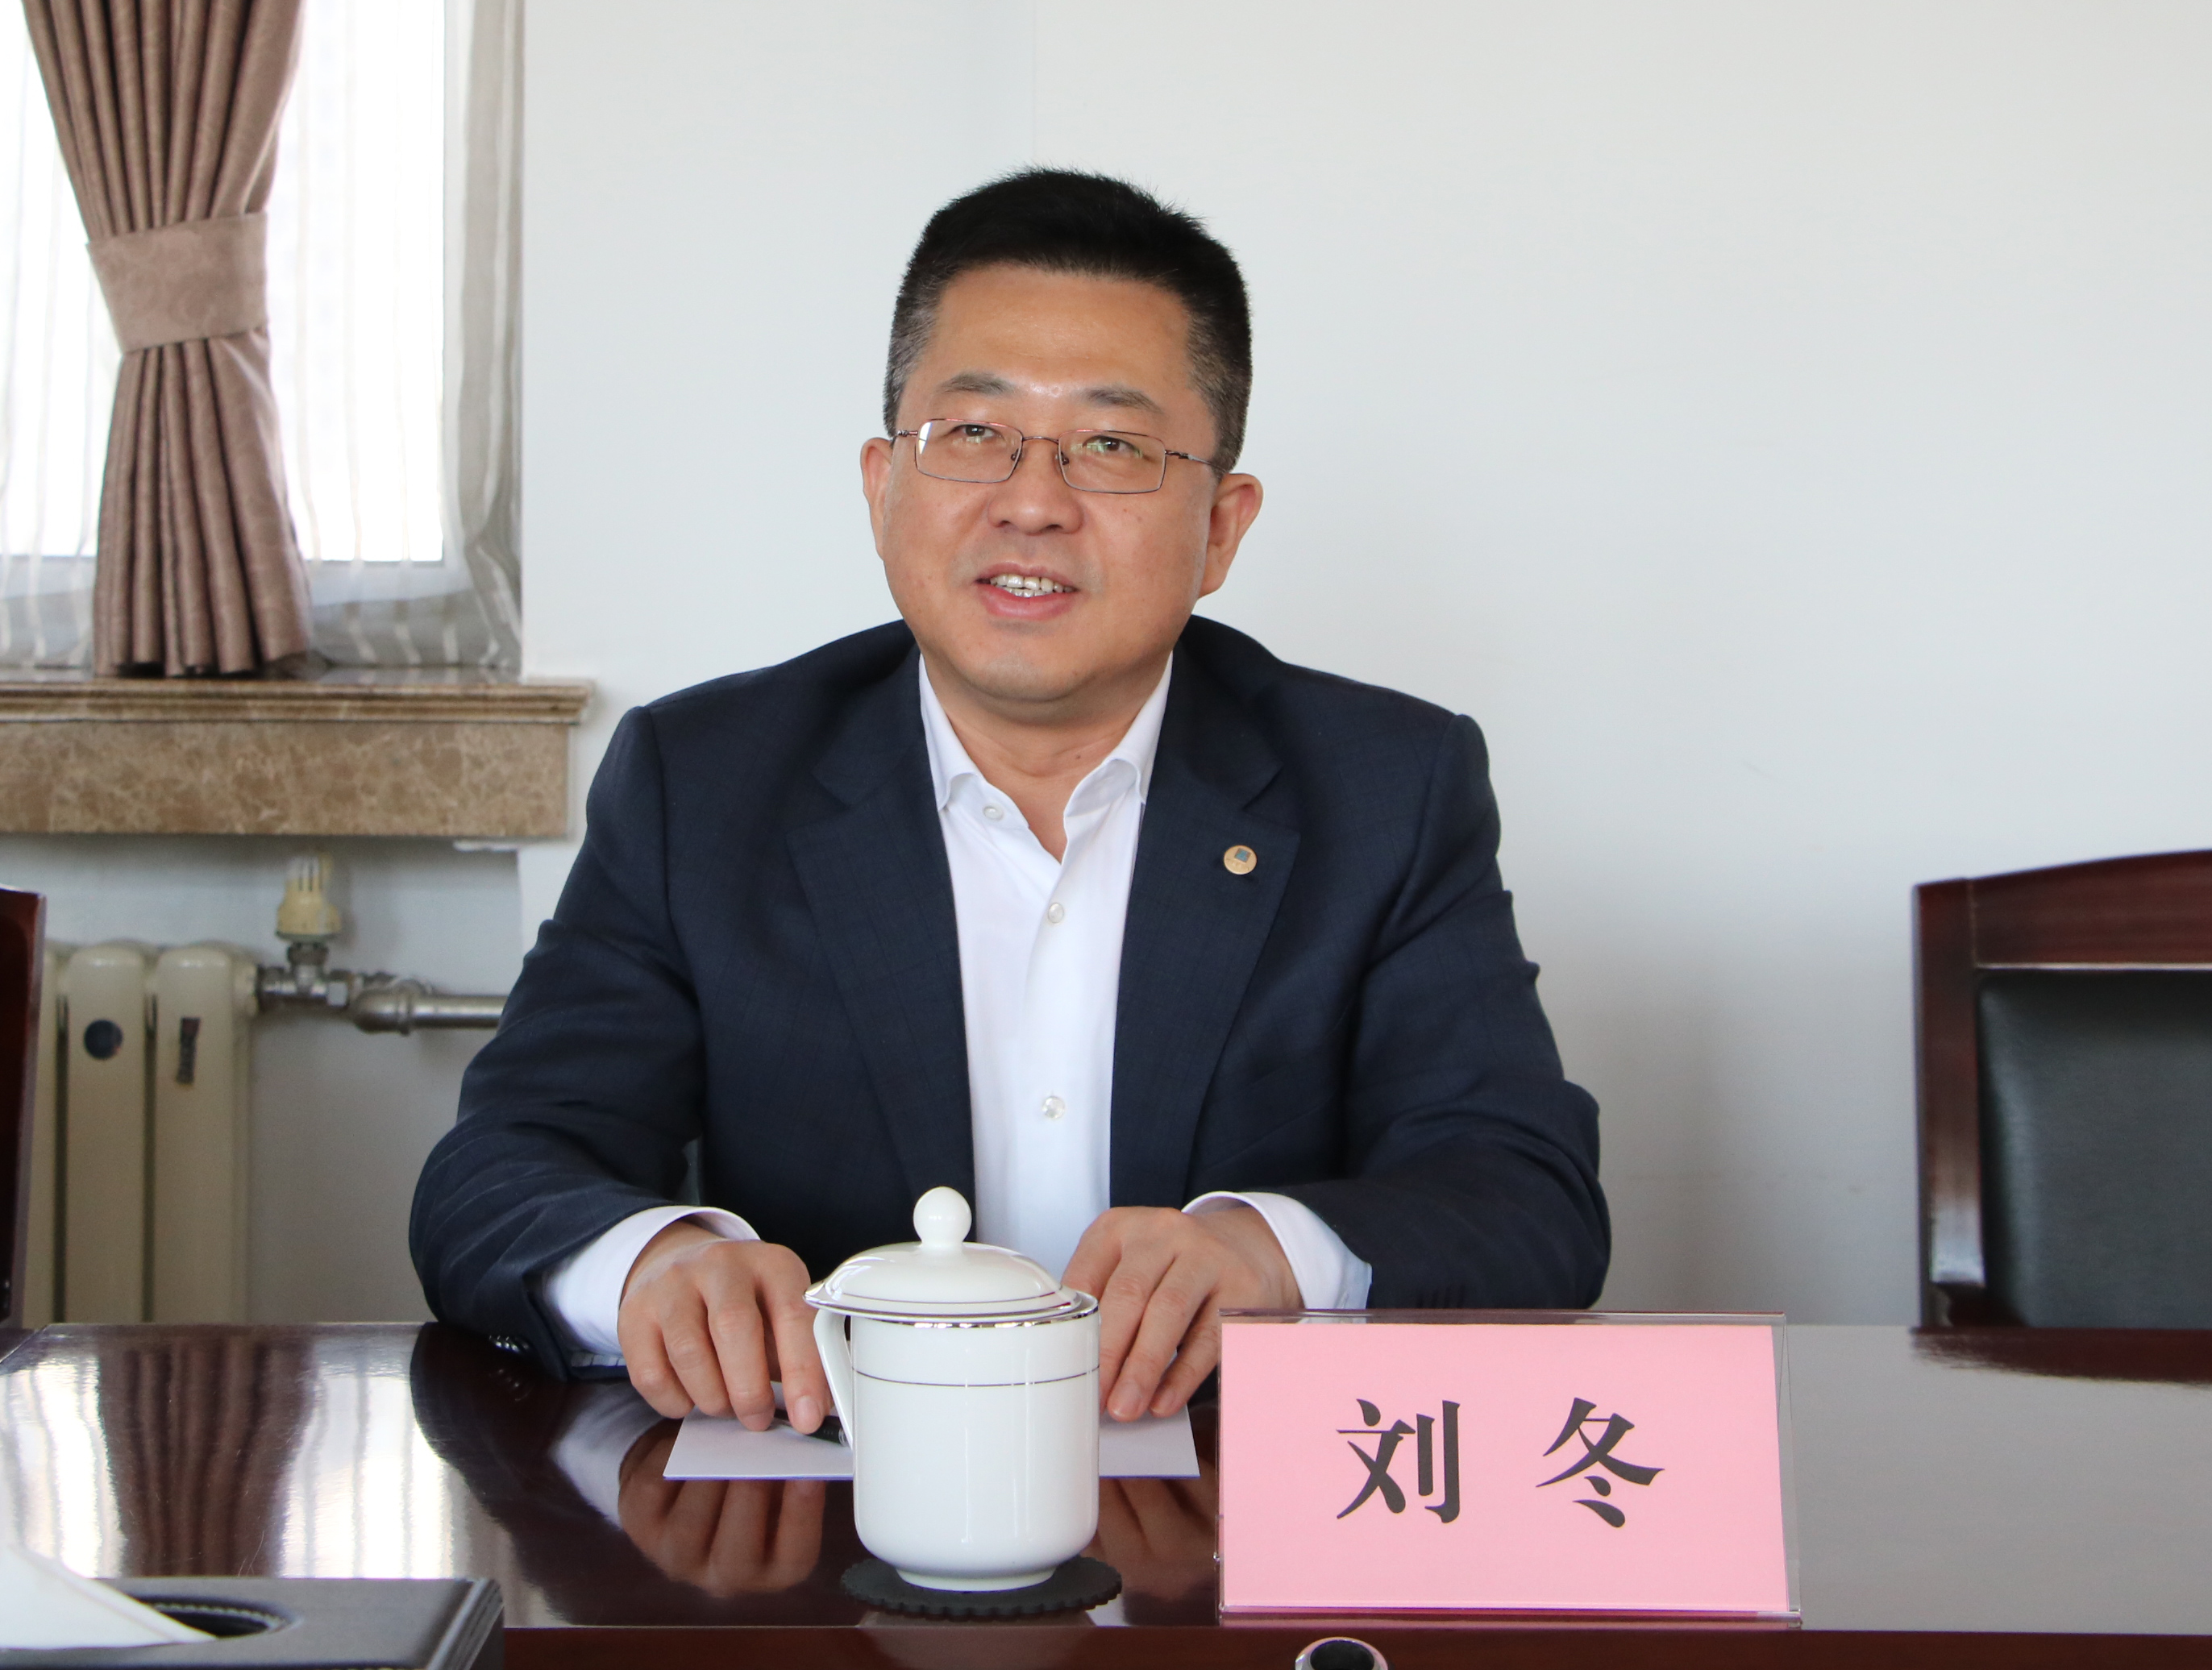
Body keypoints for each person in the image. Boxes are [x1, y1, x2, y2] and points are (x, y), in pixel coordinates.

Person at [410, 169, 1607, 1439]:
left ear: (1221, 528)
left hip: (1217, 1516)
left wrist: (1269, 1252)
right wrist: (650, 1265)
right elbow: (499, 1169)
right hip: (819, 1506)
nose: (1033, 503)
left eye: (1112, 446)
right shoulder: (702, 781)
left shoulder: (1386, 786)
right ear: (883, 486)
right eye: (974, 434)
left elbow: (1523, 1195)